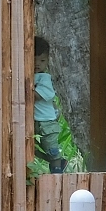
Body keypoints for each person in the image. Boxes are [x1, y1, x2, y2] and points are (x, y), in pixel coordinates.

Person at [33, 36, 67, 174]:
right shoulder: (32, 76)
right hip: (36, 120)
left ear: (48, 61)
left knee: (51, 148)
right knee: (33, 148)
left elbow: (36, 96)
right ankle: (59, 161)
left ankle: (57, 170)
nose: (37, 64)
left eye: (42, 60)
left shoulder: (44, 79)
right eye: (34, 60)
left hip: (47, 122)